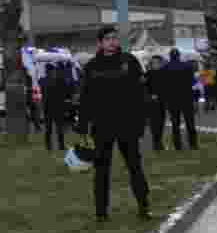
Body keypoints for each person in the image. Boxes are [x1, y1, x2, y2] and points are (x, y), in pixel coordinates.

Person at [76, 26, 151, 222]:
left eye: (114, 38)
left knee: (135, 166)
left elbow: (141, 95)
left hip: (127, 125)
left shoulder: (129, 61)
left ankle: (144, 206)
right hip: (102, 126)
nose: (112, 42)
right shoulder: (92, 67)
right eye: (107, 39)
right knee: (101, 171)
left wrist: (141, 122)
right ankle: (101, 212)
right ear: (100, 43)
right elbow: (85, 98)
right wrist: (82, 126)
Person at [164, 49, 199, 150]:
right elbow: (193, 82)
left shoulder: (166, 68)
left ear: (170, 56)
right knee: (190, 122)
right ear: (179, 56)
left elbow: (165, 86)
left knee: (175, 123)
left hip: (172, 99)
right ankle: (193, 144)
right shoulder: (187, 67)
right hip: (186, 97)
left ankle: (177, 145)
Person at [40, 64, 69, 151]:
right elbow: (65, 92)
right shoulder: (59, 80)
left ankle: (49, 146)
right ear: (52, 71)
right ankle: (60, 145)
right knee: (58, 128)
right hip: (57, 107)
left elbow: (44, 94)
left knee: (49, 128)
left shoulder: (43, 81)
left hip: (49, 107)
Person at [144, 55, 167, 151]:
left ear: (161, 63)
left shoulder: (164, 74)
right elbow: (143, 88)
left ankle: (159, 141)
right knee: (154, 123)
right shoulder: (147, 74)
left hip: (162, 102)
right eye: (154, 62)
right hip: (152, 102)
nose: (156, 64)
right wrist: (149, 96)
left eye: (158, 62)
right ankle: (156, 143)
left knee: (161, 122)